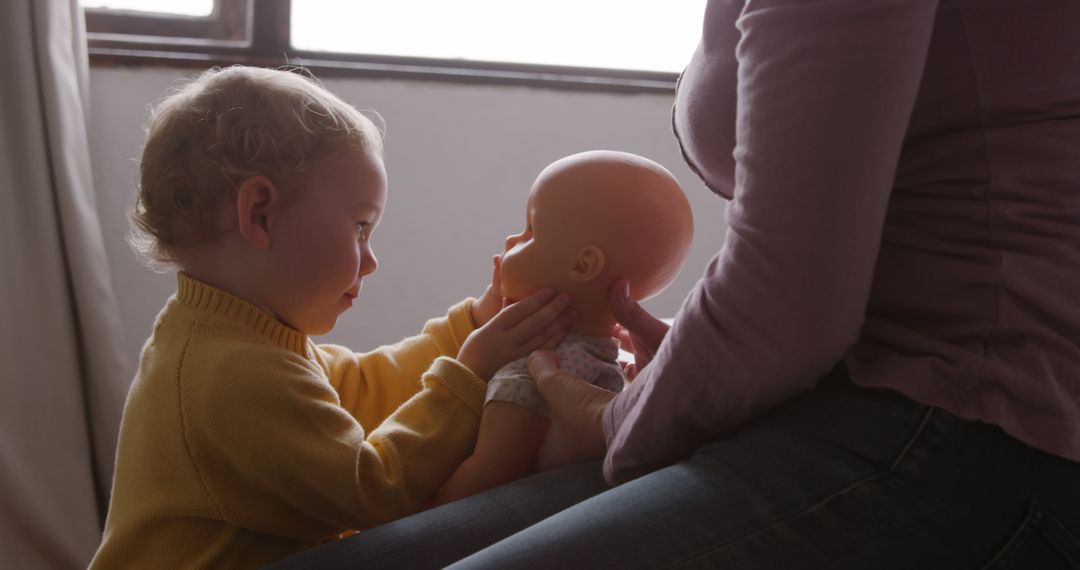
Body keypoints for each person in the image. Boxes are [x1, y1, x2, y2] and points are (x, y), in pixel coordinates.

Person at [268, 0, 1080, 568]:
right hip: (835, 396)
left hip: (968, 428)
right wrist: (692, 366)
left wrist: (619, 414)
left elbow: (790, 307)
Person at [89, 66, 579, 569]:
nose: (371, 260)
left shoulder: (237, 338)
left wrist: (472, 324)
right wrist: (469, 374)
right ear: (259, 214)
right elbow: (375, 491)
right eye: (361, 227)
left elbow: (361, 388)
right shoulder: (229, 374)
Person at [434, 150, 694, 504]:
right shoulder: (614, 375)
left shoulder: (528, 375)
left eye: (530, 230)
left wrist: (414, 511)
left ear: (583, 265)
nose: (511, 241)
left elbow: (480, 481)